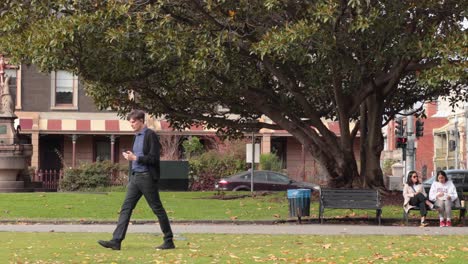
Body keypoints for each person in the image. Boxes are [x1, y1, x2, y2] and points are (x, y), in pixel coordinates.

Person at [98, 110, 175, 250]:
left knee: (157, 208)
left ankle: (168, 240)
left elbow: (153, 159)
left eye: (133, 122)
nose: (131, 124)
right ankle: (116, 241)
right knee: (125, 208)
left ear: (141, 120)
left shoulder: (150, 135)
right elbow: (137, 156)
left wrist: (136, 158)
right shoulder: (136, 136)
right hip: (135, 177)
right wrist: (130, 157)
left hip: (146, 177)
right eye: (130, 122)